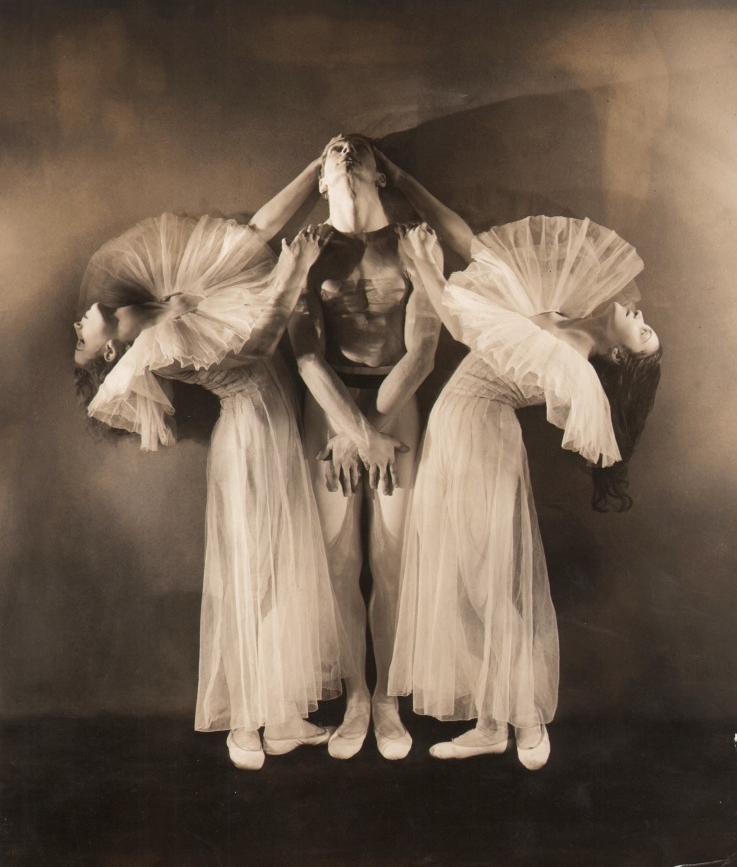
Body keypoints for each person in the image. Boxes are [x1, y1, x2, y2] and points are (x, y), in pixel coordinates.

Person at [382, 157, 661, 769]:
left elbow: (460, 323)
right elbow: (475, 248)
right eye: (647, 324)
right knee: (467, 575)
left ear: (618, 357)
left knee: (489, 582)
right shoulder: (564, 314)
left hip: (479, 433)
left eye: (644, 336)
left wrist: (425, 269)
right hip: (456, 428)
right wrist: (403, 184)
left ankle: (526, 719)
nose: (643, 320)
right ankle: (490, 722)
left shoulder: (572, 354)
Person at [74, 158, 348, 771]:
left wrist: (315, 167)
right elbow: (257, 345)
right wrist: (295, 269)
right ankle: (244, 727)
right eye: (89, 334)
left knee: (276, 570)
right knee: (252, 573)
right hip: (249, 438)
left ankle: (280, 718)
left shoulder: (173, 295)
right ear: (114, 344)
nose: (85, 322)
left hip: (273, 431)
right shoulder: (154, 343)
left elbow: (252, 234)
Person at [288, 135, 442, 760]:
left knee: (396, 556)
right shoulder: (307, 252)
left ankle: (389, 701)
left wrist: (375, 427)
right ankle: (356, 694)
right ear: (320, 181)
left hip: (394, 402)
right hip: (329, 407)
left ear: (380, 171)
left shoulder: (412, 243)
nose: (344, 151)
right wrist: (353, 432)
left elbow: (424, 349)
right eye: (331, 152)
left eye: (355, 150)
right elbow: (303, 354)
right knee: (337, 560)